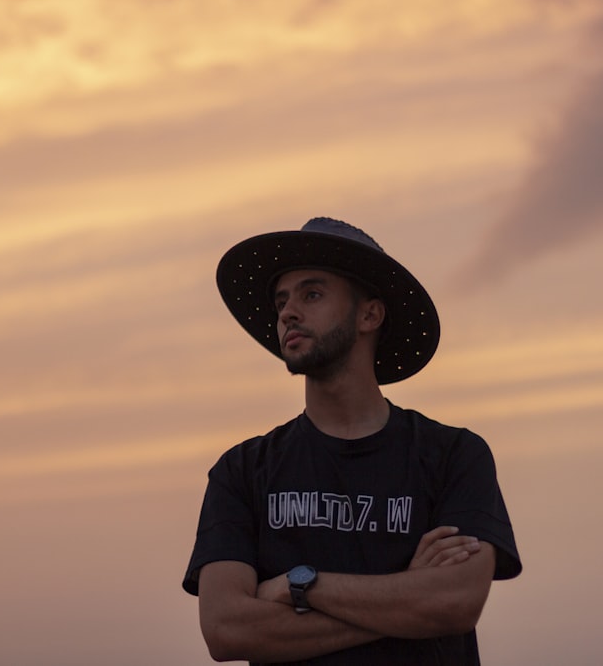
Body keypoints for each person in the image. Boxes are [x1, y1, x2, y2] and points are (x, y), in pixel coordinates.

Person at [182, 217, 521, 665]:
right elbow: (227, 630)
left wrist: (298, 585)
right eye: (282, 300)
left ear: (369, 315)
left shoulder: (453, 455)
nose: (287, 313)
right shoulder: (243, 470)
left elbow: (454, 603)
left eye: (312, 294)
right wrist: (407, 595)